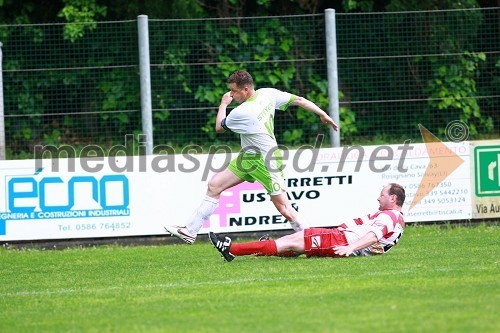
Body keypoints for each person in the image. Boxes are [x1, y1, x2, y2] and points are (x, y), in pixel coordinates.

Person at [165, 70, 339, 244]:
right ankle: (190, 231)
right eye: (230, 91)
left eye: (234, 91)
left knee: (285, 208)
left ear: (246, 89)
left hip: (266, 161)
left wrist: (223, 104)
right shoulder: (267, 93)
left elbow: (219, 127)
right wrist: (323, 114)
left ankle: (316, 242)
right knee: (214, 185)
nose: (231, 94)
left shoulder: (242, 112)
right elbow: (299, 100)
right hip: (248, 157)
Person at [209, 183, 406, 262]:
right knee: (296, 241)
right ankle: (261, 247)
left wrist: (350, 247)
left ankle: (231, 248)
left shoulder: (391, 217)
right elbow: (360, 224)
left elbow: (373, 236)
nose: (378, 198)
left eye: (382, 195)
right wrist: (337, 231)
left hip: (342, 242)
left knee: (291, 242)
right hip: (339, 237)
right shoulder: (393, 218)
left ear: (393, 199)